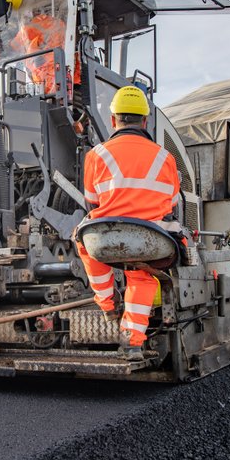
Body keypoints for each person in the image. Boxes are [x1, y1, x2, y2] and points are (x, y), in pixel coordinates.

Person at [77, 86, 181, 361]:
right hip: (152, 238)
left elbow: (91, 203)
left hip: (108, 236)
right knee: (142, 275)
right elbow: (171, 204)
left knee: (82, 240)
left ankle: (108, 304)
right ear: (145, 121)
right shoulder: (165, 157)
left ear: (113, 120)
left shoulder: (96, 155)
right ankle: (132, 344)